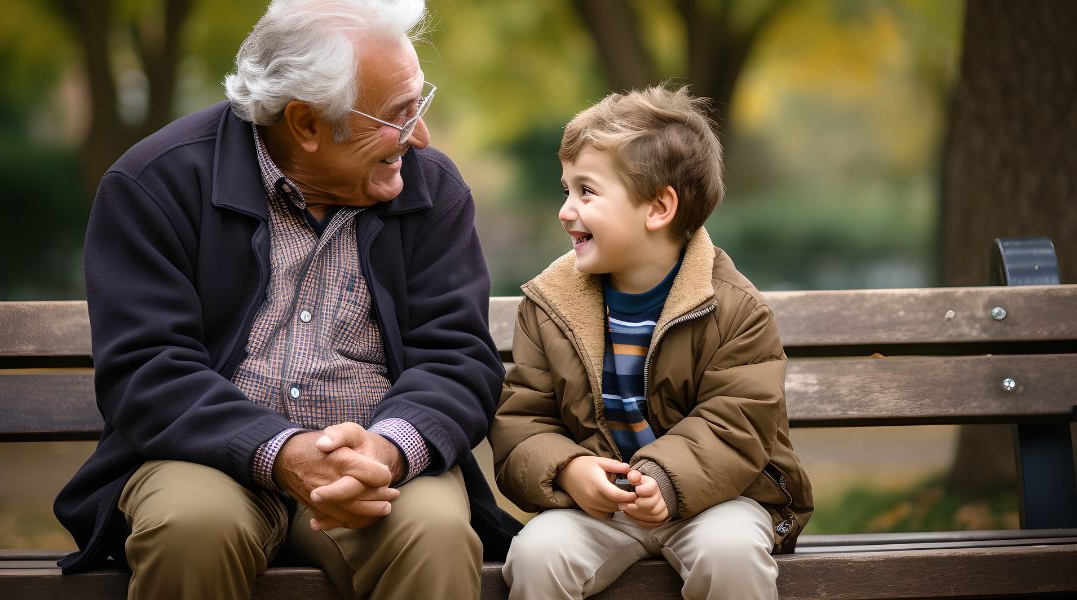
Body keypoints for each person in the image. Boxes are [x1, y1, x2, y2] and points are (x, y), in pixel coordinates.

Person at [53, 1, 520, 598]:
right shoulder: (156, 183)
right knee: (192, 528)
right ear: (305, 122)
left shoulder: (429, 187)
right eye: (398, 115)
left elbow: (457, 358)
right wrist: (280, 453)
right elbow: (146, 369)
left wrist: (388, 449)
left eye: (418, 105)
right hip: (207, 459)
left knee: (434, 530)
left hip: (379, 466)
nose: (420, 136)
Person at [490, 85, 814, 600]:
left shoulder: (733, 309)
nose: (565, 210)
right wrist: (569, 470)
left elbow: (738, 421)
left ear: (659, 208)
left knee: (731, 555)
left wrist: (664, 479)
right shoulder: (549, 307)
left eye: (587, 191)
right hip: (599, 508)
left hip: (719, 500)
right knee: (536, 553)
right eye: (565, 190)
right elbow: (522, 421)